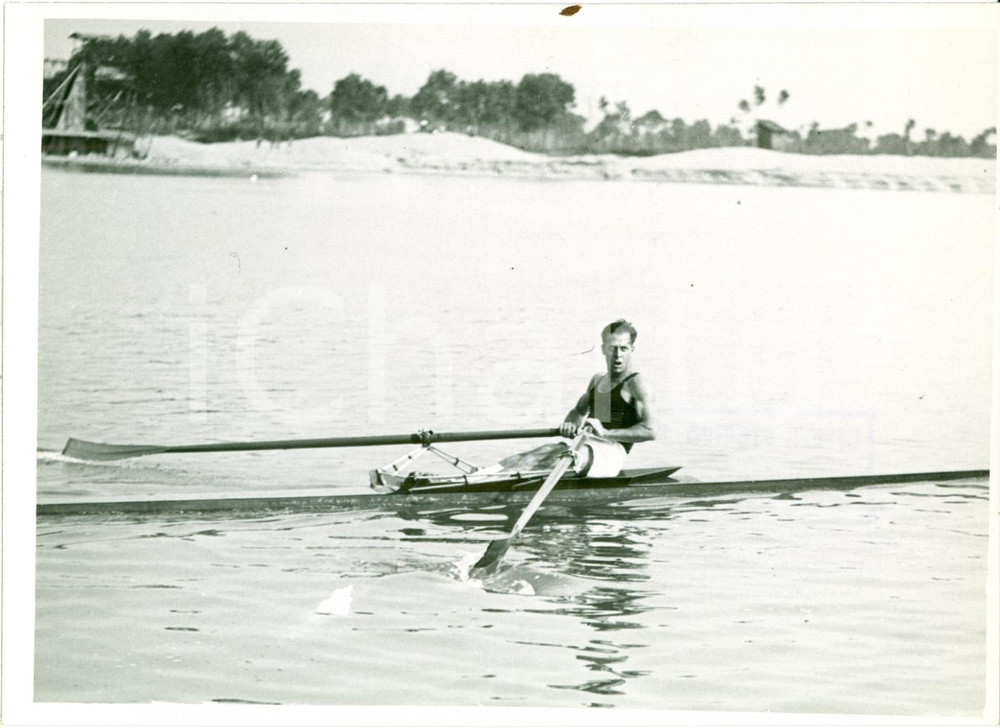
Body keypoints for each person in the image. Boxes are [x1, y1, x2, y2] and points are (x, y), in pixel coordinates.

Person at [559, 320, 656, 474]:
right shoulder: (598, 379)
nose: (618, 355)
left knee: (557, 459)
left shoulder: (636, 385)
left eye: (623, 348)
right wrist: (569, 425)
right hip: (585, 443)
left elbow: (650, 431)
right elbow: (577, 413)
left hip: (611, 452)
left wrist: (605, 433)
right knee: (538, 455)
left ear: (632, 349)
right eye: (612, 348)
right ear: (603, 349)